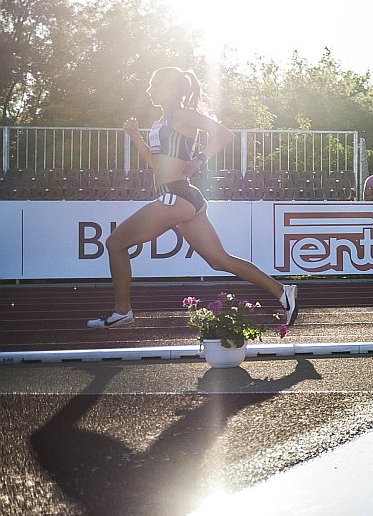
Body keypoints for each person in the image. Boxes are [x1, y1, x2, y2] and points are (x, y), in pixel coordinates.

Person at [89, 66, 299, 330]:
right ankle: (283, 292)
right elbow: (156, 165)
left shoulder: (182, 114)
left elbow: (225, 133)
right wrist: (136, 138)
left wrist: (200, 159)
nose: (149, 89)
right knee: (218, 260)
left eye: (155, 83)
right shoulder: (162, 122)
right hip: (184, 198)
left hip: (176, 195)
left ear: (173, 88)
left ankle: (122, 311)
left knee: (115, 243)